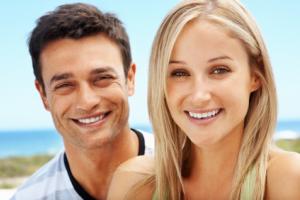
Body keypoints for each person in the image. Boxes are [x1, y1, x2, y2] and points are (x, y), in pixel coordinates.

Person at [107, 0, 300, 199]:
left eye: (219, 70)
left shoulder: (289, 179)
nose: (199, 96)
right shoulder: (133, 183)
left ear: (255, 77)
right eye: (180, 73)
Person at [11, 3, 154, 200]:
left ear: (130, 78)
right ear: (43, 95)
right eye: (64, 85)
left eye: (102, 78)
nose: (86, 102)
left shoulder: (188, 170)